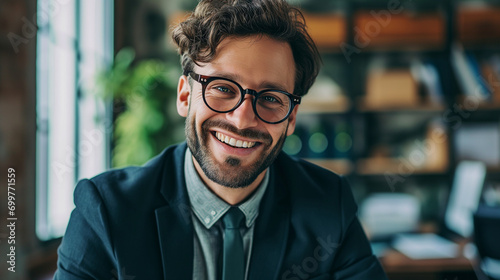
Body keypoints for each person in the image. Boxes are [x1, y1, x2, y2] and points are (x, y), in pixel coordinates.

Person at [54, 0, 388, 279]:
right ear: (185, 96)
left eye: (271, 97)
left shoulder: (330, 206)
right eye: (223, 89)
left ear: (291, 119)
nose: (242, 119)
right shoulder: (106, 212)